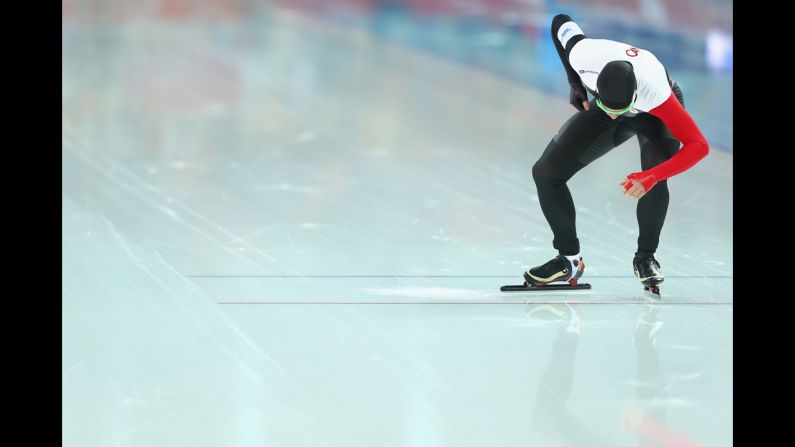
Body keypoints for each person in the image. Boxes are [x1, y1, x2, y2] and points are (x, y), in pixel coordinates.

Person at [523, 14, 709, 295]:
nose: (614, 115)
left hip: (652, 113)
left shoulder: (657, 92)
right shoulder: (584, 54)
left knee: (655, 175)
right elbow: (560, 21)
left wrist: (652, 176)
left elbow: (699, 145)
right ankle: (568, 261)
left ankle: (645, 257)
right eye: (611, 109)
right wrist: (575, 82)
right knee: (546, 172)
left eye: (619, 110)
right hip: (609, 98)